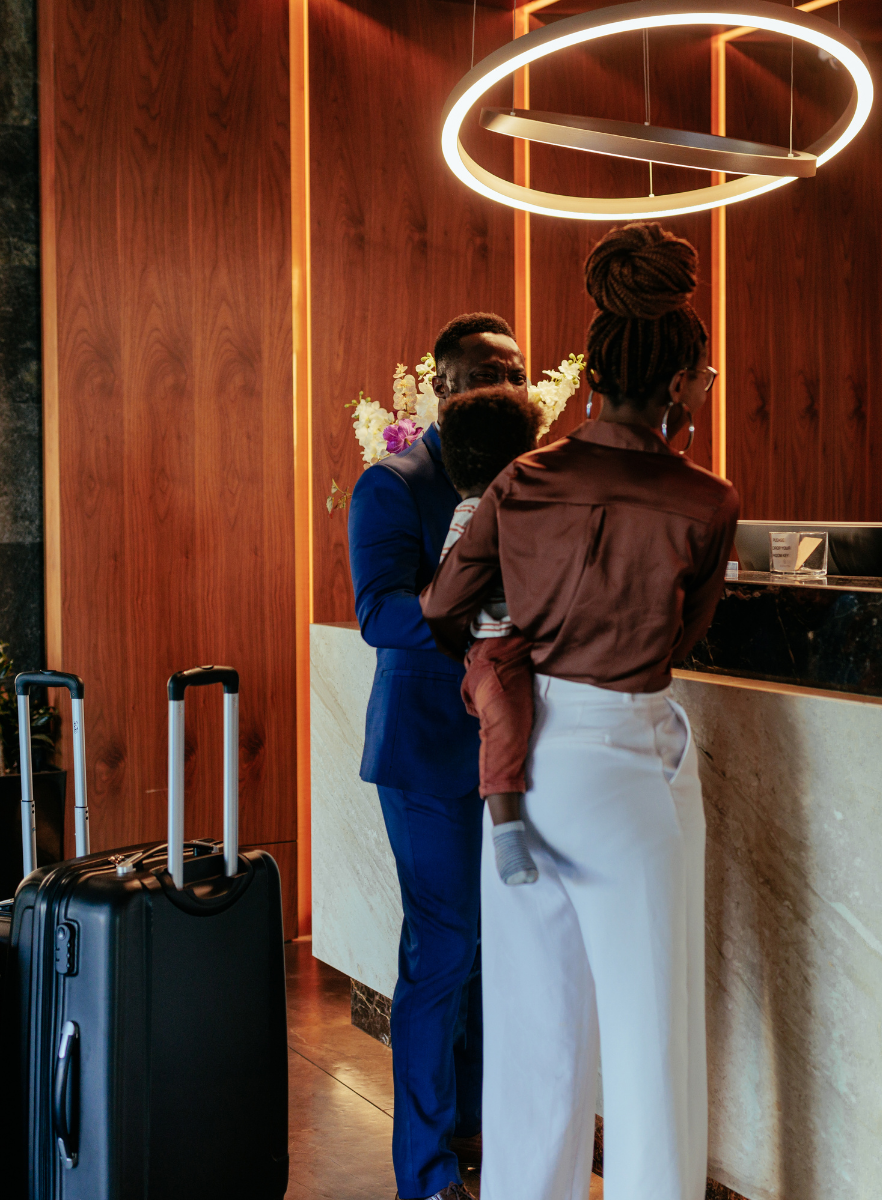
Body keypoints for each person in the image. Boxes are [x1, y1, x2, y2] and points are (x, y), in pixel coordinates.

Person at [421, 221, 740, 1200]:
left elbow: (440, 606)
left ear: (594, 375)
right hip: (628, 761)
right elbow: (682, 638)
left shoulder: (521, 480)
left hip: (524, 769)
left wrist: (513, 642)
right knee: (650, 1047)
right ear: (679, 384)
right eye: (702, 378)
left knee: (534, 1041)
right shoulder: (706, 502)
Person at [349, 312, 528, 1200]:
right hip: (426, 752)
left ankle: (473, 1131)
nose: (508, 387)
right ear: (443, 387)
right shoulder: (393, 483)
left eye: (518, 373)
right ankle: (423, 1173)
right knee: (444, 949)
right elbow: (379, 613)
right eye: (488, 374)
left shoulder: (533, 480)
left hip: (513, 754)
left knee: (493, 954)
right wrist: (466, 611)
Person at [437, 388, 541, 886]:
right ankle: (507, 833)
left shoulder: (526, 507)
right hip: (495, 647)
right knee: (505, 722)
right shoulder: (472, 512)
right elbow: (451, 588)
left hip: (531, 640)